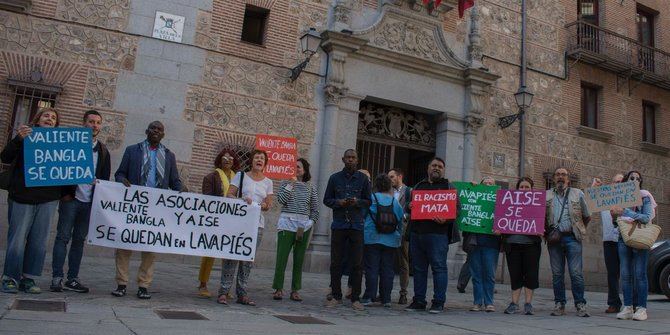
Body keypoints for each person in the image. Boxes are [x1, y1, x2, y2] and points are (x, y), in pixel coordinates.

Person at [112, 121, 183, 299]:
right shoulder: (132, 150)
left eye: (159, 129)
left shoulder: (169, 155)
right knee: (124, 244)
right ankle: (121, 283)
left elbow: (174, 181)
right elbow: (120, 173)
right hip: (133, 206)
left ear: (163, 134)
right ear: (146, 131)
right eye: (153, 128)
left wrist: (182, 189)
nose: (156, 131)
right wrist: (121, 180)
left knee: (150, 248)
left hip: (156, 208)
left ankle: (144, 285)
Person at [1, 108, 62, 294]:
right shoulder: (25, 137)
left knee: (39, 241)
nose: (49, 119)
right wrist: (18, 139)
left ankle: (28, 278)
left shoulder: (61, 142)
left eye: (53, 118)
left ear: (56, 124)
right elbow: (5, 157)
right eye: (46, 115)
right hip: (22, 196)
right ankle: (10, 277)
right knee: (17, 239)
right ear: (37, 119)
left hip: (48, 199)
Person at [51, 110, 111, 293]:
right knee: (62, 237)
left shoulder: (103, 150)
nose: (95, 125)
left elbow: (104, 178)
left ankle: (73, 279)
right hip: (71, 199)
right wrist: (64, 193)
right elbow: (58, 168)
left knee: (79, 240)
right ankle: (57, 277)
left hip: (88, 203)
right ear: (84, 123)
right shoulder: (71, 144)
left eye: (98, 122)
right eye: (91, 121)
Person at [405, 157, 460, 314]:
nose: (437, 168)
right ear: (428, 168)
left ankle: (438, 302)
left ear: (443, 170)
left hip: (438, 235)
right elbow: (409, 208)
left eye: (440, 166)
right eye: (434, 165)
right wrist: (409, 207)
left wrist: (446, 218)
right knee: (418, 269)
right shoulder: (418, 186)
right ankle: (419, 300)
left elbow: (457, 210)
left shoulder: (449, 188)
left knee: (439, 268)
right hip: (417, 234)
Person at [219, 149, 273, 306]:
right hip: (239, 223)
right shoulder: (241, 176)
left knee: (247, 260)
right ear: (251, 160)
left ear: (265, 163)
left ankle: (242, 293)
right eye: (256, 157)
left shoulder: (268, 182)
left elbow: (269, 205)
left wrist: (260, 205)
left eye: (262, 158)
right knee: (231, 257)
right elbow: (229, 194)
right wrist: (241, 200)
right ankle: (223, 291)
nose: (259, 160)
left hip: (257, 225)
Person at [323, 149, 371, 311]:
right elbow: (327, 200)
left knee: (357, 263)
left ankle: (355, 297)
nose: (350, 160)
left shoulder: (364, 179)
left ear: (357, 160)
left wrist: (357, 202)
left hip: (357, 225)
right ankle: (336, 295)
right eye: (348, 157)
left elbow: (368, 201)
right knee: (336, 261)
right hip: (339, 224)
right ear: (343, 159)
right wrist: (339, 203)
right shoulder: (334, 178)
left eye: (353, 158)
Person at [546, 167, 591, 317]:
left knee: (576, 273)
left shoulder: (578, 193)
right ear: (553, 178)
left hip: (572, 238)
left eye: (563, 174)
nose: (560, 177)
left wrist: (578, 229)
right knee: (557, 273)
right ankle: (559, 304)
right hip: (554, 240)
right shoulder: (546, 195)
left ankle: (580, 304)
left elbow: (587, 215)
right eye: (557, 174)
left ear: (568, 179)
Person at [272, 158, 318, 302]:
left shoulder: (311, 187)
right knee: (282, 257)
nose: (296, 169)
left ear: (304, 170)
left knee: (299, 259)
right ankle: (278, 288)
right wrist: (291, 184)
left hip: (303, 227)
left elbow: (315, 209)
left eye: (298, 167)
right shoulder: (286, 183)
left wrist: (310, 223)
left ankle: (295, 290)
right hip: (286, 225)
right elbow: (281, 200)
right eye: (294, 166)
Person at [613, 171, 657, 321]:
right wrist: (615, 214)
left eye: (638, 178)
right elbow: (615, 221)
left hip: (639, 236)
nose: (635, 180)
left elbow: (646, 217)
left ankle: (641, 308)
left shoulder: (644, 196)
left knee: (640, 274)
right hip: (623, 237)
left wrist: (626, 212)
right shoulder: (620, 198)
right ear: (626, 180)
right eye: (632, 177)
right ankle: (628, 307)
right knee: (625, 274)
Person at [196, 149, 240, 298]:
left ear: (234, 161)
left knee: (228, 254)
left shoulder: (239, 179)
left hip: (232, 221)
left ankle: (225, 287)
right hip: (215, 220)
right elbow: (207, 199)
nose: (228, 161)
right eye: (225, 158)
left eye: (231, 158)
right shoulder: (211, 177)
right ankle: (203, 284)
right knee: (209, 253)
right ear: (219, 160)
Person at [361, 174, 405, 308]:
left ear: (376, 185)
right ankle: (386, 298)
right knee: (387, 269)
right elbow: (400, 221)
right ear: (389, 186)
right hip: (391, 240)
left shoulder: (371, 198)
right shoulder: (394, 202)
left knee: (372, 268)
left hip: (372, 238)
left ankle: (369, 296)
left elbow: (363, 215)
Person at [503, 177, 542, 315]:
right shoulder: (508, 202)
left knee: (530, 274)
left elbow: (544, 222)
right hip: (512, 245)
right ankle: (514, 303)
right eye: (522, 187)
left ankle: (528, 303)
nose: (524, 190)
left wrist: (541, 230)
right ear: (517, 189)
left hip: (531, 245)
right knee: (515, 274)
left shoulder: (538, 204)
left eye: (527, 187)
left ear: (532, 189)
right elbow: (502, 219)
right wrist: (498, 228)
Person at [466, 177, 500, 313]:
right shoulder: (474, 196)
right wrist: (472, 188)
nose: (488, 185)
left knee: (489, 274)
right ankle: (477, 302)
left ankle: (489, 302)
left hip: (491, 243)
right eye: (485, 183)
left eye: (491, 183)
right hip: (474, 242)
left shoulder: (499, 201)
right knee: (476, 274)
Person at [592, 173, 624, 313]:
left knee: (629, 273)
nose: (617, 184)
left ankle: (632, 303)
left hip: (626, 240)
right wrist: (594, 187)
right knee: (612, 273)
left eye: (621, 182)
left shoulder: (629, 199)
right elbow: (590, 203)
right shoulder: (605, 198)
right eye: (615, 182)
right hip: (609, 241)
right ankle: (613, 303)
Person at [388, 168, 412, 304]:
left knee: (403, 261)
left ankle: (403, 293)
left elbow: (413, 209)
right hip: (388, 230)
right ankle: (385, 291)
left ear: (399, 176)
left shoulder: (409, 191)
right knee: (387, 261)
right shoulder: (387, 191)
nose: (390, 179)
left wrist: (403, 216)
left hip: (402, 230)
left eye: (392, 177)